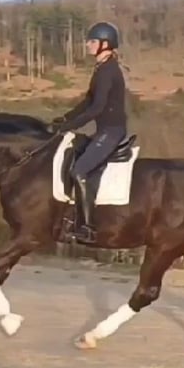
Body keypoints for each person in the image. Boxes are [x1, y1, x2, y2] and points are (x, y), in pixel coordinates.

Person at [50, 21, 128, 244]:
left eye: (92, 41)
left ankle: (87, 228)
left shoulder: (108, 71)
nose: (87, 45)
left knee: (79, 171)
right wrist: (65, 118)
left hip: (111, 132)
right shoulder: (101, 68)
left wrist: (69, 127)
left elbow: (97, 108)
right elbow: (88, 101)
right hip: (104, 130)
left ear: (105, 44)